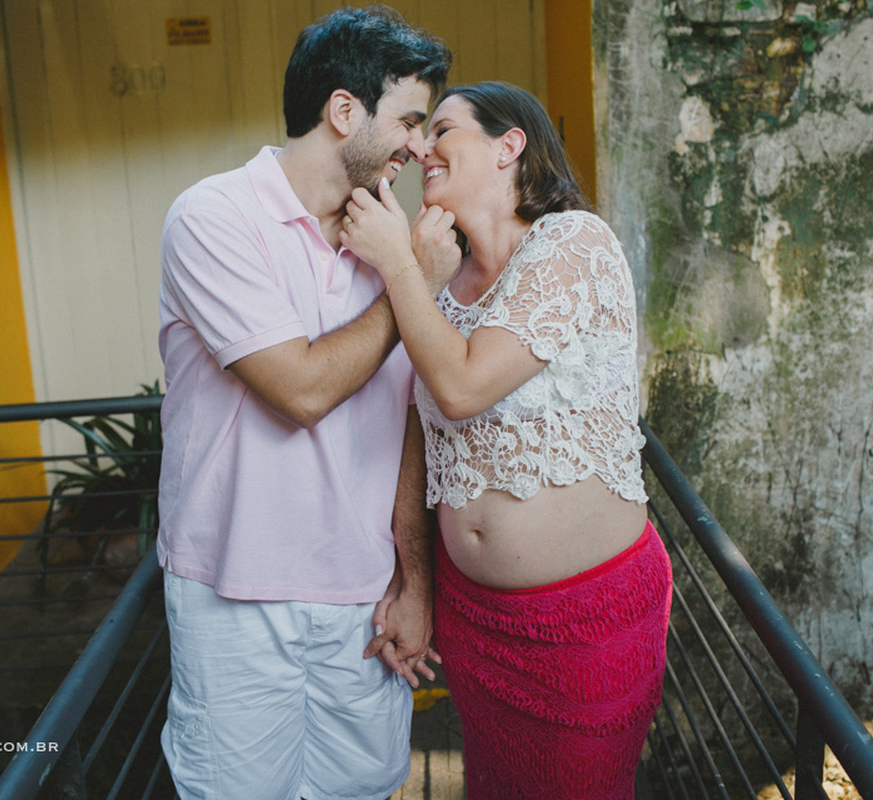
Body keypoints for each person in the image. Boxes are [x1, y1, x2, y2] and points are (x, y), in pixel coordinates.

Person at [341, 81, 673, 799]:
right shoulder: (440, 285)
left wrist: (396, 261)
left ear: (508, 145)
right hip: (476, 623)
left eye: (445, 130)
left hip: (585, 628)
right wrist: (417, 587)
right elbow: (419, 440)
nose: (423, 148)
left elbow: (462, 387)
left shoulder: (574, 243)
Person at [154, 8, 451, 799]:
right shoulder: (214, 217)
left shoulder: (389, 237)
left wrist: (414, 580)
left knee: (364, 791)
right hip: (235, 600)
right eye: (411, 122)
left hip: (362, 600)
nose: (423, 148)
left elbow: (408, 422)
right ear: (344, 111)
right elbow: (304, 389)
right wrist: (409, 281)